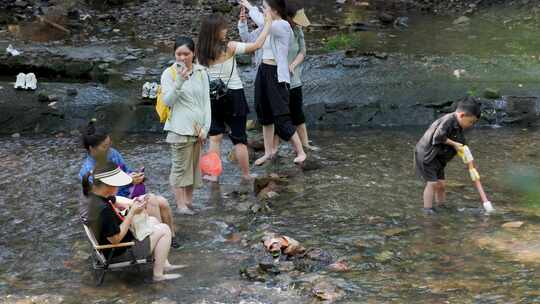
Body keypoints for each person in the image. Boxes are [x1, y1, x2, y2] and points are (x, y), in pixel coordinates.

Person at [196, 10, 272, 183]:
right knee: (239, 138)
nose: (226, 31)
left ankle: (214, 175)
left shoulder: (200, 52)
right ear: (216, 31)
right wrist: (267, 24)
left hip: (212, 97)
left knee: (215, 138)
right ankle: (245, 175)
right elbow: (257, 45)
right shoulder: (229, 47)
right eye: (223, 28)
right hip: (234, 95)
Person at [78, 120, 180, 248]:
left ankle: (170, 238)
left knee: (163, 202)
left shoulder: (112, 154)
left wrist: (136, 177)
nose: (108, 149)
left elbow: (126, 171)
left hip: (127, 195)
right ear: (91, 148)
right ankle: (157, 241)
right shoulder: (88, 171)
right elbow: (104, 195)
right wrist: (128, 181)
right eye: (104, 146)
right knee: (152, 202)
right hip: (116, 205)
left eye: (109, 144)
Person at [82, 161, 183, 282]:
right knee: (165, 230)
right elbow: (115, 240)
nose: (119, 187)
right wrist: (131, 213)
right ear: (108, 185)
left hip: (107, 250)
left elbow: (116, 199)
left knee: (154, 220)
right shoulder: (103, 210)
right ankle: (158, 275)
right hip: (120, 253)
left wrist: (132, 202)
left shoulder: (94, 196)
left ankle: (165, 265)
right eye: (117, 184)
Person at [239, 0, 307, 166]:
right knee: (264, 113)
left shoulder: (283, 25)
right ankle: (269, 152)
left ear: (275, 10)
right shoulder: (267, 26)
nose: (263, 10)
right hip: (263, 71)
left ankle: (301, 151)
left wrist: (250, 7)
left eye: (265, 7)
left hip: (276, 74)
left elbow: (263, 21)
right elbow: (249, 40)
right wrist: (242, 23)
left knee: (281, 114)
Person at [161, 36, 211, 215]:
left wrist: (206, 128)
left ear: (193, 53)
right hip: (178, 129)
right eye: (178, 54)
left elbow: (206, 102)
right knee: (180, 168)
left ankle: (189, 203)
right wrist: (180, 81)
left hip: (197, 129)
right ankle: (180, 205)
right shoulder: (169, 74)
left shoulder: (201, 72)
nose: (182, 57)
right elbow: (167, 100)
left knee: (193, 168)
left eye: (186, 54)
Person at [414, 97, 481, 214]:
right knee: (432, 183)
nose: (471, 125)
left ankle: (441, 206)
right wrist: (454, 144)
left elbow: (463, 146)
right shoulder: (448, 121)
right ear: (462, 115)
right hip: (427, 155)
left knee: (441, 184)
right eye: (471, 122)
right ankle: (427, 209)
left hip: (439, 158)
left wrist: (471, 164)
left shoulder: (459, 126)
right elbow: (438, 137)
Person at [274, 3, 318, 152]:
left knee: (297, 113)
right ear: (288, 17)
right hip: (279, 80)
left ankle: (304, 144)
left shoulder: (298, 30)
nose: (298, 24)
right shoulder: (278, 29)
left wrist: (292, 65)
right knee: (280, 115)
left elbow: (303, 51)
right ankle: (274, 148)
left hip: (295, 79)